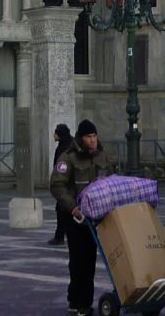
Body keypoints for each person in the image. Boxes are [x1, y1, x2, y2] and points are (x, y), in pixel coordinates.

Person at [50, 119, 118, 316]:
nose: (93, 141)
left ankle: (81, 301)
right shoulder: (68, 158)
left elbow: (111, 179)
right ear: (81, 138)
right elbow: (57, 185)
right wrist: (72, 208)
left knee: (89, 261)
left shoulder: (102, 155)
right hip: (75, 218)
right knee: (79, 261)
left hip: (97, 217)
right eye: (89, 137)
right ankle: (80, 303)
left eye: (95, 136)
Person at [47, 124, 73, 246]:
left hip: (65, 184)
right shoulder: (70, 144)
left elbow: (60, 167)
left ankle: (60, 236)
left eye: (56, 133)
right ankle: (61, 236)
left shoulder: (63, 148)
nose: (53, 135)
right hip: (69, 184)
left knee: (62, 210)